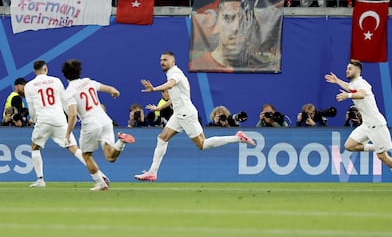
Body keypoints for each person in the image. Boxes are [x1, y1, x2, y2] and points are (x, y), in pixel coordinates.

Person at [134, 51, 255, 182]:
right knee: (162, 138)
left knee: (203, 145)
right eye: (161, 60)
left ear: (173, 62)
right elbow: (174, 98)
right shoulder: (171, 74)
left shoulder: (175, 74)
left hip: (186, 114)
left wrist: (154, 89)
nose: (162, 62)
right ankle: (152, 172)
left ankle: (238, 138)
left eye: (165, 60)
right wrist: (159, 107)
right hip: (179, 114)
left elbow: (170, 85)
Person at [324, 59, 392, 188]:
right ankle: (378, 146)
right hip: (366, 125)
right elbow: (350, 87)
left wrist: (347, 96)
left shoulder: (361, 83)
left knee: (382, 156)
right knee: (349, 145)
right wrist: (337, 81)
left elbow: (361, 94)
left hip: (376, 124)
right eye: (347, 68)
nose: (347, 70)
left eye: (350, 68)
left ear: (358, 70)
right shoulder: (354, 84)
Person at [24, 60, 105, 188]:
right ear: (46, 69)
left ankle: (40, 179)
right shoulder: (56, 81)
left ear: (35, 71)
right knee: (73, 147)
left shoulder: (29, 85)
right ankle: (99, 175)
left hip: (43, 119)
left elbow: (32, 108)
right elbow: (64, 100)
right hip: (59, 119)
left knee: (35, 147)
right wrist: (72, 116)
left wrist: (34, 120)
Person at [62, 59, 135, 191]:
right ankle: (121, 142)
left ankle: (101, 183)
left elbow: (72, 115)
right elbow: (110, 89)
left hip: (90, 124)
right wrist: (115, 92)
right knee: (110, 156)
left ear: (65, 75)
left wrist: (67, 134)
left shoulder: (69, 92)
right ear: (79, 71)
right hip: (105, 120)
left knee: (86, 155)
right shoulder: (88, 81)